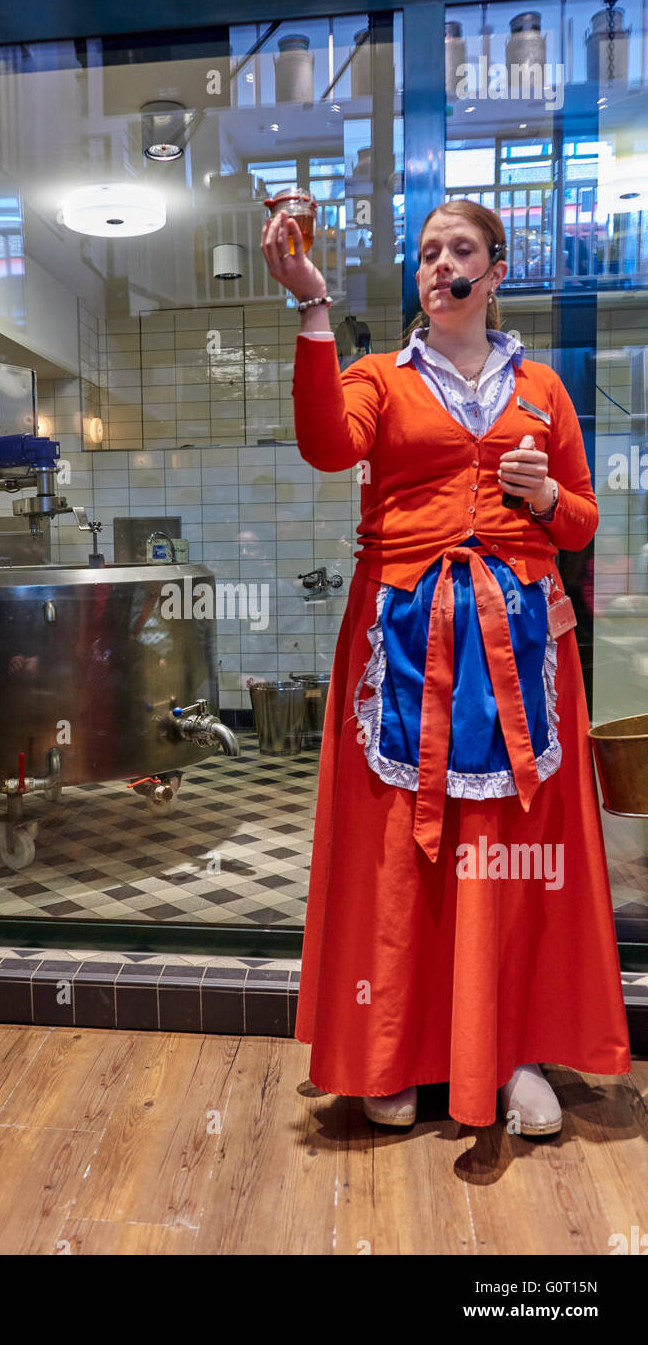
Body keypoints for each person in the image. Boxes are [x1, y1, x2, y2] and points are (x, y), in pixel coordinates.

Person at [260, 197, 631, 1135]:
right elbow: (321, 444)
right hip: (402, 636)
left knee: (512, 852)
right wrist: (311, 305)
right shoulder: (381, 377)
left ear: (494, 272)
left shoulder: (542, 387)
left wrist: (546, 495)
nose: (439, 265)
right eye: (426, 254)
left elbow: (584, 521)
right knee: (400, 849)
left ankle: (512, 1054)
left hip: (521, 647)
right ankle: (392, 1050)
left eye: (458, 250)